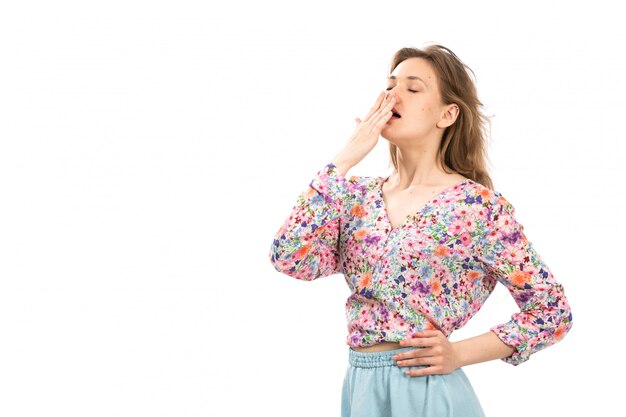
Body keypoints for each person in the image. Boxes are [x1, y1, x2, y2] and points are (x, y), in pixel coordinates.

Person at [268, 44, 573, 417]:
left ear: (447, 114)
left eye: (413, 89)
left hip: (425, 389)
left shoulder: (476, 208)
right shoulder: (355, 197)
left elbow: (551, 309)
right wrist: (344, 159)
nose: (393, 95)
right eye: (390, 85)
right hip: (360, 389)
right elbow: (288, 257)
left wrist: (459, 353)